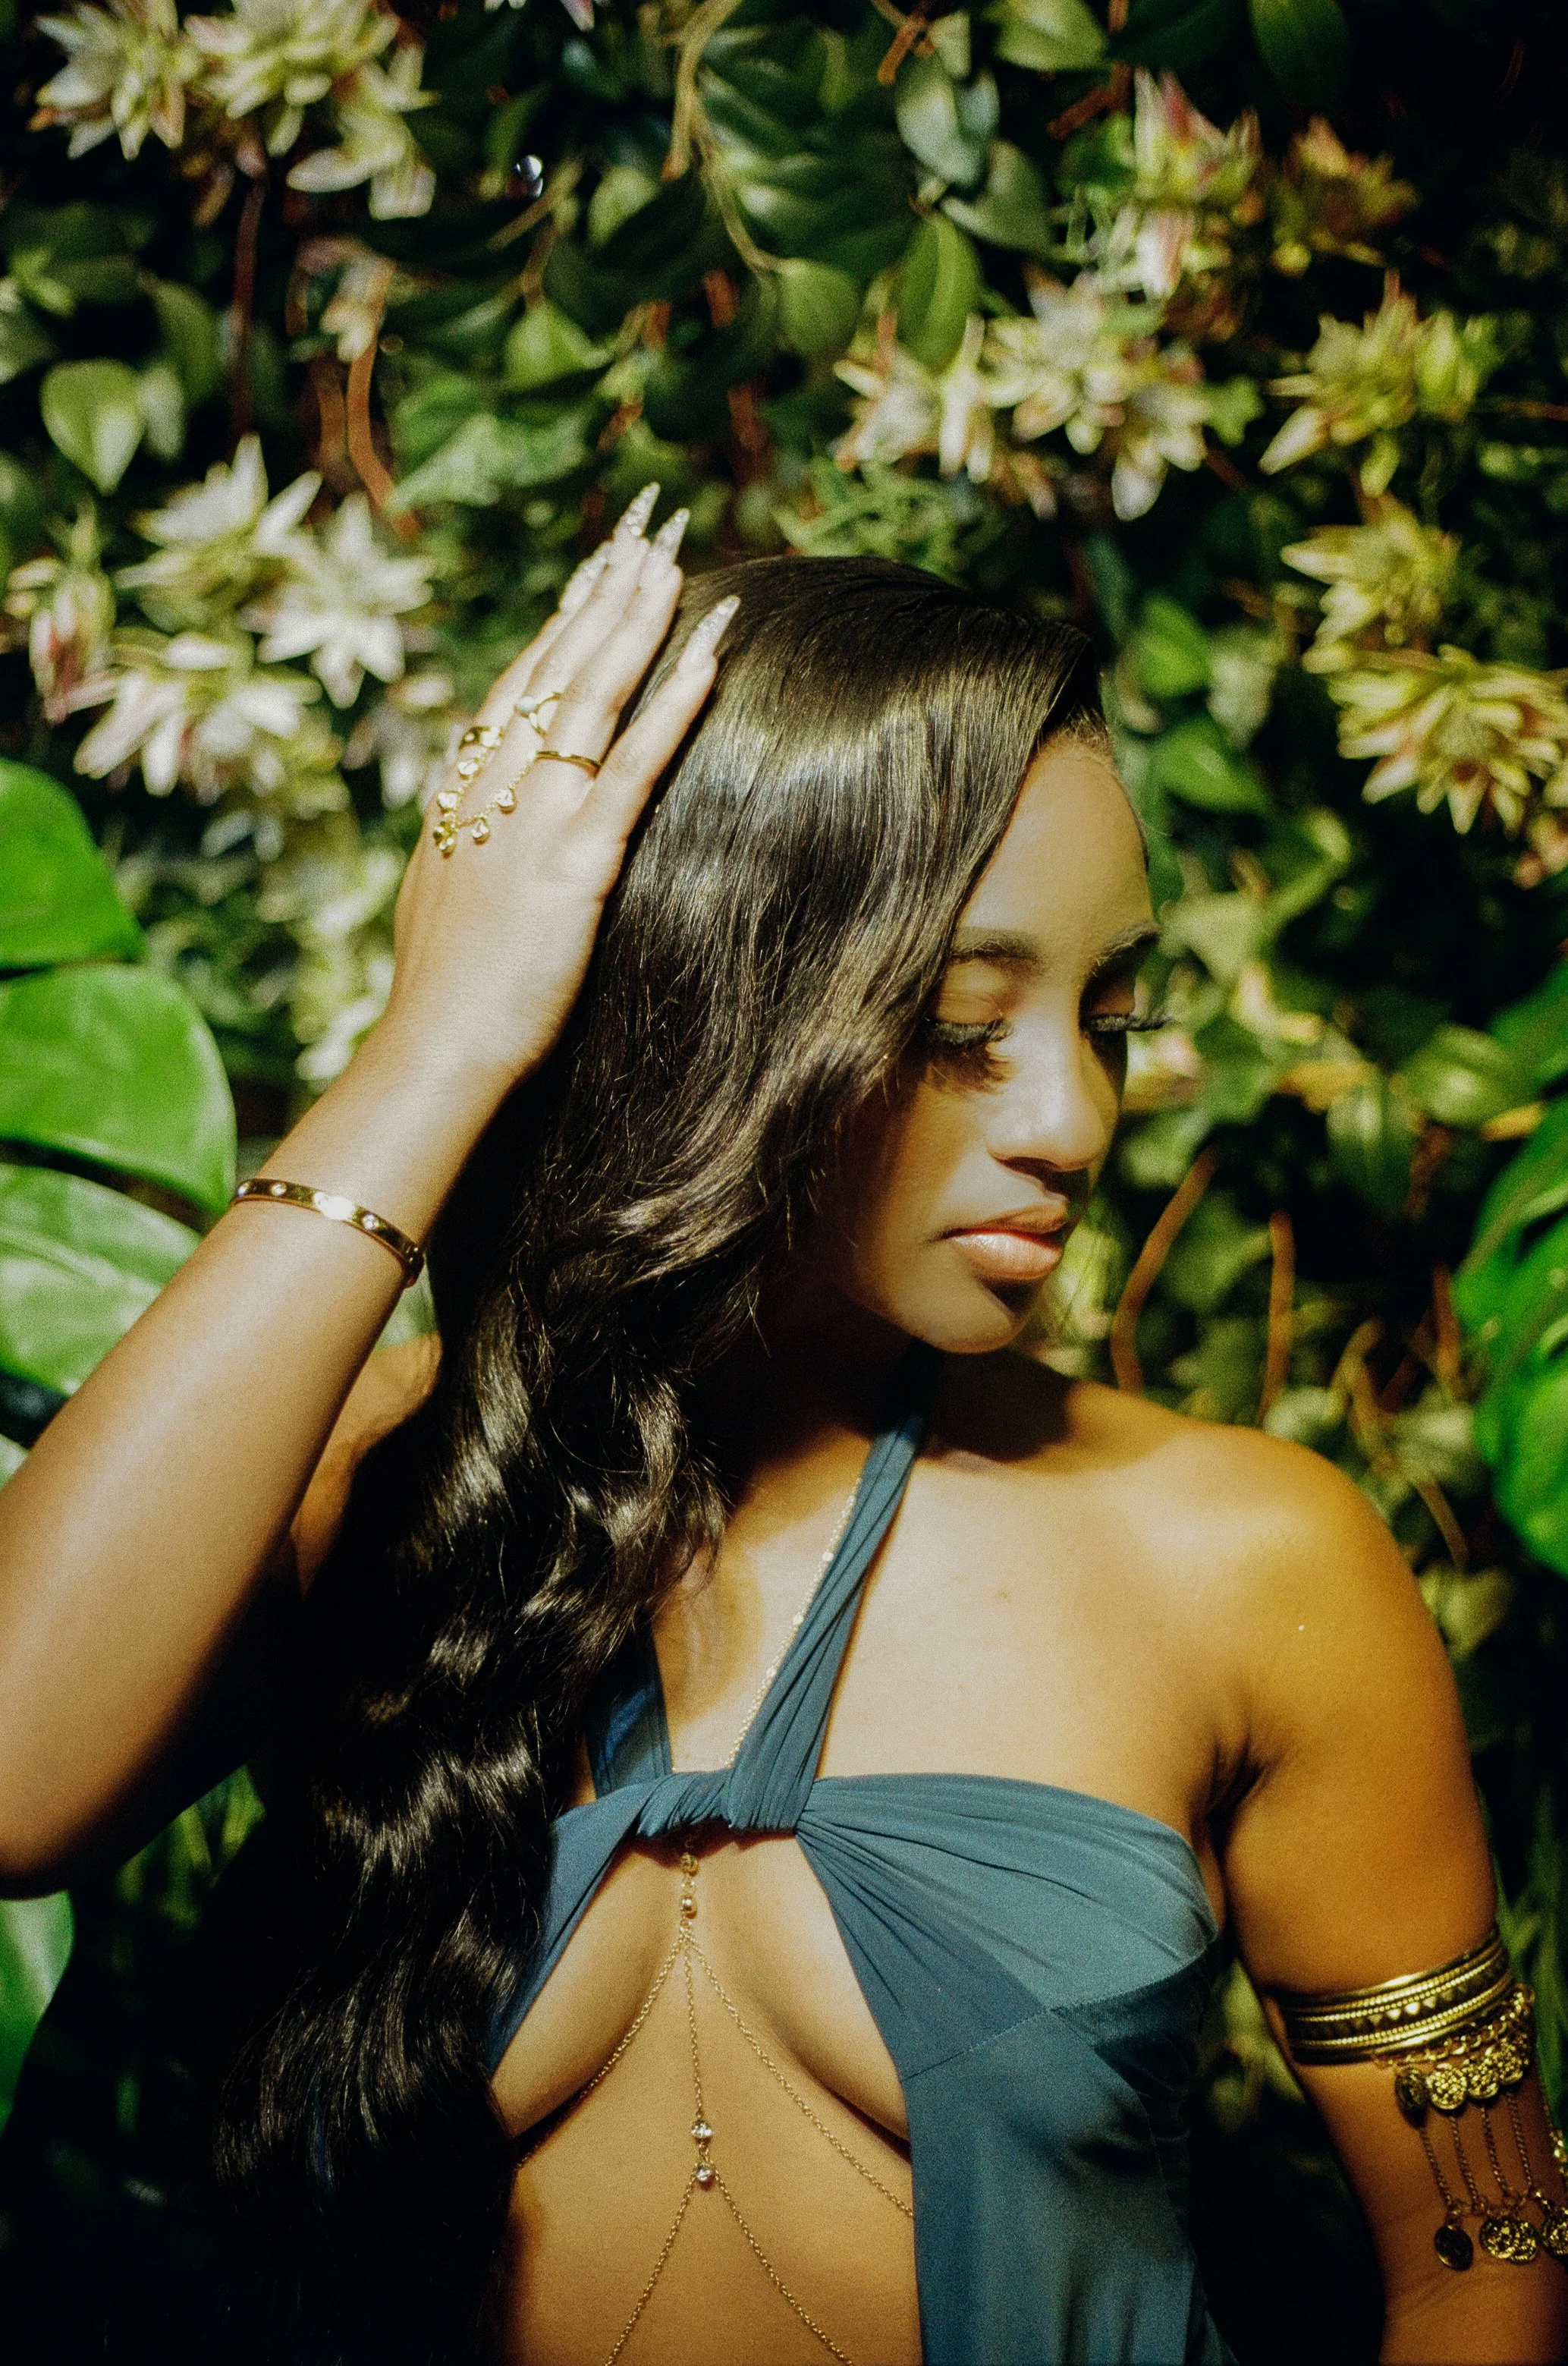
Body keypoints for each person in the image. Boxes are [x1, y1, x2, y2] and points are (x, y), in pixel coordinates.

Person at [0, 495, 1563, 2366]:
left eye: (1111, 1019)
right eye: (966, 1024)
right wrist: (442, 1036)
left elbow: (1487, 2244)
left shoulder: (1241, 1555)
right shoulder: (384, 1496)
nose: (1072, 1116)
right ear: (724, 1003)